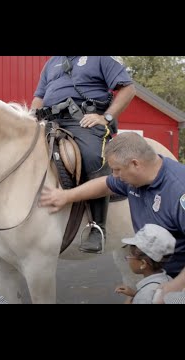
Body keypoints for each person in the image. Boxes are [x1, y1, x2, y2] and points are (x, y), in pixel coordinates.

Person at [39, 132, 185, 279]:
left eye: (117, 169)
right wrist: (66, 196)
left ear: (135, 164)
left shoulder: (179, 190)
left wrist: (172, 288)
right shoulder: (134, 177)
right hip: (158, 274)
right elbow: (104, 184)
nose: (114, 175)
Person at [31, 56, 136, 253]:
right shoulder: (51, 62)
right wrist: (31, 117)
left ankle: (97, 228)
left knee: (92, 156)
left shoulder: (102, 58)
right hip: (48, 121)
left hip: (83, 121)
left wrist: (105, 117)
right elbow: (39, 96)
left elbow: (128, 89)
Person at [114, 224, 175, 304]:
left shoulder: (144, 296)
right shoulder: (169, 280)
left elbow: (147, 298)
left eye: (130, 255)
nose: (127, 258)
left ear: (143, 263)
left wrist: (132, 299)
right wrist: (135, 294)